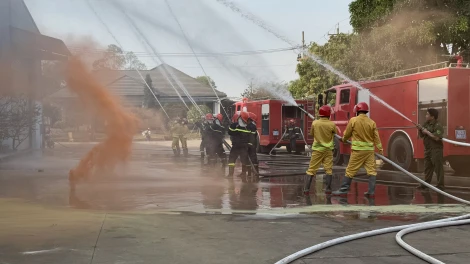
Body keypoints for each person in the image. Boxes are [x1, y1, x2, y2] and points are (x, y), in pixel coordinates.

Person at [332, 102, 383, 197]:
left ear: (357, 111)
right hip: (369, 152)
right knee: (371, 171)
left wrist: (343, 139)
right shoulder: (372, 122)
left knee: (350, 170)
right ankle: (371, 192)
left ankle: (343, 191)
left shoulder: (353, 120)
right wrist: (380, 149)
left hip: (358, 151)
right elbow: (376, 137)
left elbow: (347, 134)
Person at [303, 105, 336, 195]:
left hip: (317, 150)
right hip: (328, 150)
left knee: (311, 169)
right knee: (328, 169)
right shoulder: (332, 124)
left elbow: (311, 133)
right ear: (329, 114)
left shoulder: (315, 123)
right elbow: (335, 133)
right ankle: (328, 189)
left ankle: (306, 190)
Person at [417, 108, 445, 190]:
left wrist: (427, 132)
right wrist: (420, 129)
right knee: (427, 167)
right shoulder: (426, 124)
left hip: (436, 149)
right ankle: (426, 184)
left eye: (427, 114)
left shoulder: (438, 125)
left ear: (432, 116)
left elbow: (436, 137)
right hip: (428, 149)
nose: (426, 116)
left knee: (438, 168)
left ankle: (440, 185)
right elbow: (422, 136)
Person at [227, 112, 251, 177]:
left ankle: (230, 174)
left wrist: (231, 126)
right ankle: (244, 173)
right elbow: (250, 137)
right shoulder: (248, 127)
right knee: (244, 159)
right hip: (244, 146)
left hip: (236, 146)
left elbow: (230, 132)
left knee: (232, 159)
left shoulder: (234, 125)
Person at [245, 112, 259, 176]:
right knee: (249, 158)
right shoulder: (252, 126)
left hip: (251, 145)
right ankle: (250, 172)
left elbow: (252, 137)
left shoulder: (251, 126)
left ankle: (253, 172)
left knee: (252, 158)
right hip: (251, 144)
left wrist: (249, 144)